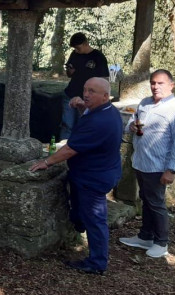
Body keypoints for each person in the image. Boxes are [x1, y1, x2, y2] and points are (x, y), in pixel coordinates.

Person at [30, 77, 122, 275]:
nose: (86, 94)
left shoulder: (101, 121)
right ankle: (79, 223)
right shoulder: (106, 110)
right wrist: (82, 108)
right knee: (80, 210)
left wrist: (46, 162)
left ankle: (97, 262)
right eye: (85, 89)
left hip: (94, 177)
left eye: (92, 92)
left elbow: (70, 149)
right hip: (97, 172)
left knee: (96, 219)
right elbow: (88, 124)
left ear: (106, 96)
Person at [119, 69, 175, 259]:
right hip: (141, 161)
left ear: (171, 85)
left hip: (159, 166)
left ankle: (161, 242)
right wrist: (131, 126)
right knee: (146, 199)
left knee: (156, 203)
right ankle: (145, 236)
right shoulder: (145, 103)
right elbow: (132, 124)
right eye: (153, 83)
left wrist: (172, 170)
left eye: (160, 83)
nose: (155, 87)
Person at [61, 32, 110, 139]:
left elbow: (104, 80)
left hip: (86, 99)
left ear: (85, 43)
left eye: (78, 48)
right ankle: (63, 149)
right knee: (66, 125)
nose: (76, 50)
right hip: (70, 94)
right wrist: (70, 70)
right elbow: (69, 74)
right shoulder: (74, 54)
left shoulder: (98, 57)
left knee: (82, 126)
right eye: (74, 48)